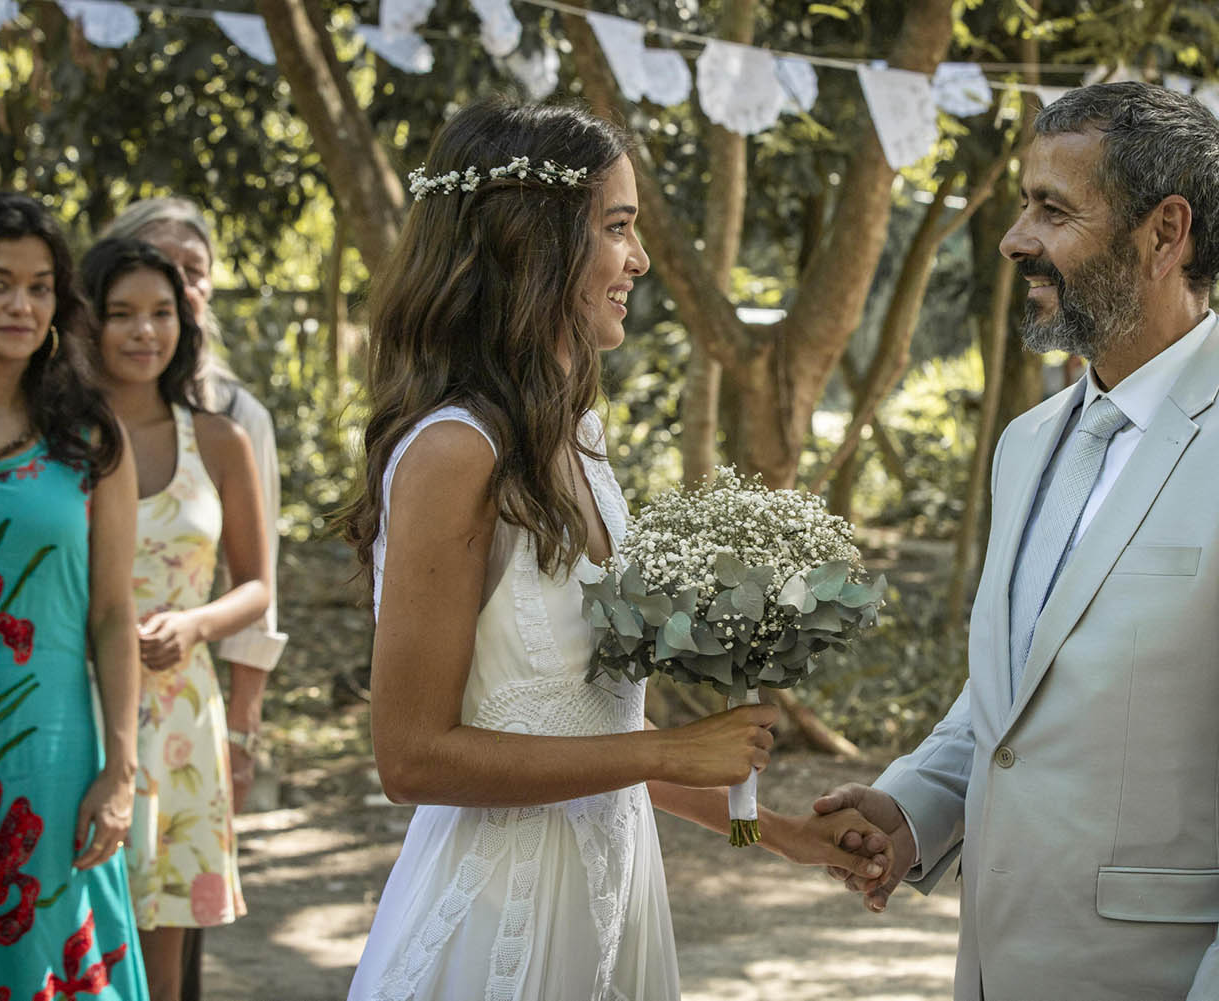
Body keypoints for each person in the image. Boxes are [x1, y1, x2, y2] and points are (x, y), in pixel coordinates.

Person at [816, 80, 1219, 1001]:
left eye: (1053, 209)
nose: (1015, 239)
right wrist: (910, 808)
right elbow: (1016, 689)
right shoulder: (1027, 443)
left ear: (1166, 232)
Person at [339, 99, 888, 1001]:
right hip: (497, 924)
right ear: (534, 239)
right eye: (618, 228)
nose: (638, 259)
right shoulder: (452, 452)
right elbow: (411, 757)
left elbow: (594, 727)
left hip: (616, 900)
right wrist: (668, 752)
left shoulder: (578, 441)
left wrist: (779, 832)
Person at [0, 192, 148, 998]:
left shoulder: (90, 436)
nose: (20, 304)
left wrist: (121, 770)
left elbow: (113, 614)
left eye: (39, 287)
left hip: (52, 756)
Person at [101, 199, 283, 1000]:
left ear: (187, 318)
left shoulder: (221, 435)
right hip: (82, 704)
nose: (144, 331)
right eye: (122, 313)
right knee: (79, 934)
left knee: (163, 956)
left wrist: (196, 624)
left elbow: (258, 585)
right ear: (88, 322)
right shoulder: (59, 437)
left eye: (162, 312)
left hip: (182, 713)